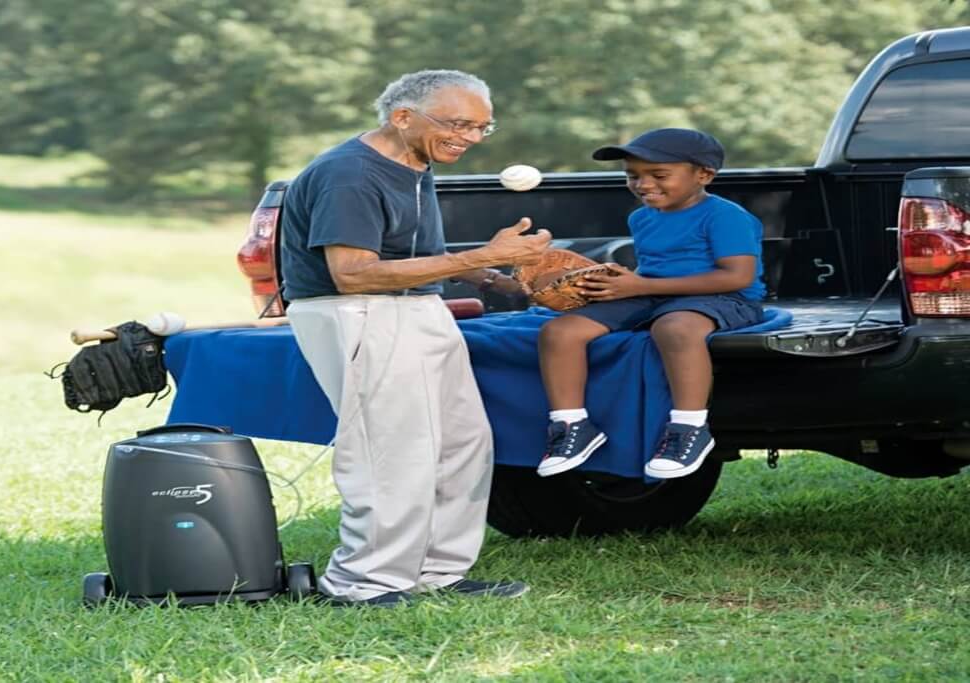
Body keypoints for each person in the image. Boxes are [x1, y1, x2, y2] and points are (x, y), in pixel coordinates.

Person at [280, 69, 551, 607]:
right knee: (392, 450)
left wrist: (501, 278)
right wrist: (484, 256)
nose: (470, 138)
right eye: (458, 124)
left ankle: (436, 572)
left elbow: (411, 255)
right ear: (402, 117)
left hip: (418, 308)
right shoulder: (349, 175)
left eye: (480, 127)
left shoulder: (415, 161)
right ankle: (364, 582)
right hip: (358, 311)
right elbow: (352, 273)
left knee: (462, 444)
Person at [535, 128, 765, 480]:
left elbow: (737, 276)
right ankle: (572, 426)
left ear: (703, 175)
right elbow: (656, 268)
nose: (643, 185)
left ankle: (688, 428)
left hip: (724, 297)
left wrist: (641, 285)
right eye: (633, 175)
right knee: (559, 332)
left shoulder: (724, 215)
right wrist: (618, 282)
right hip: (655, 292)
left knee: (673, 328)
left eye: (658, 175)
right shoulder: (641, 217)